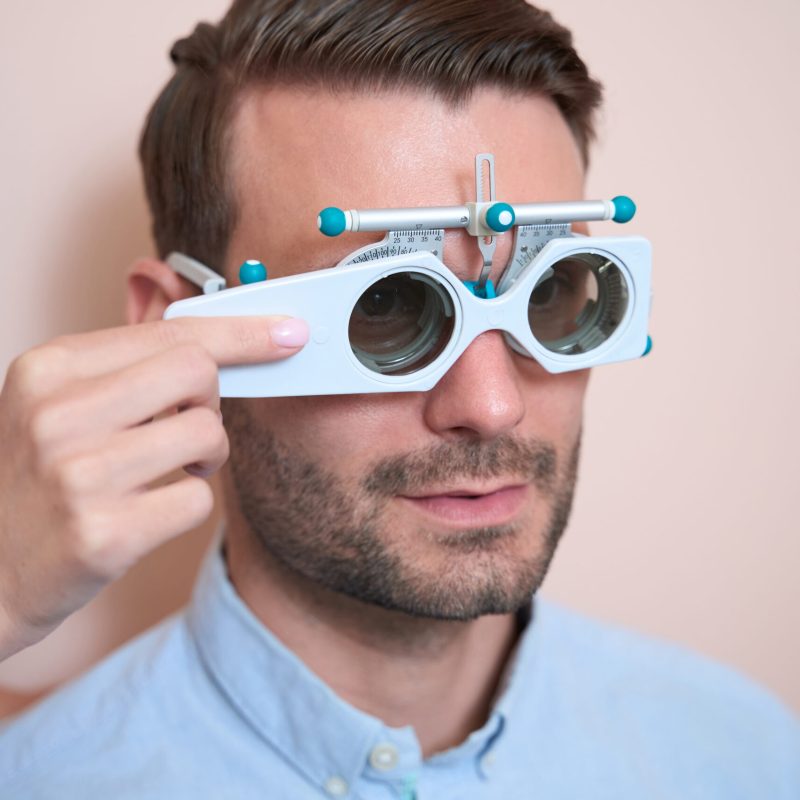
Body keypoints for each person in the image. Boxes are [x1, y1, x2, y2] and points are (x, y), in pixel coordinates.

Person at [0, 0, 797, 797]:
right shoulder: (44, 778)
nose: (491, 407)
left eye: (552, 292)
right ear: (169, 334)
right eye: (382, 308)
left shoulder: (745, 756)